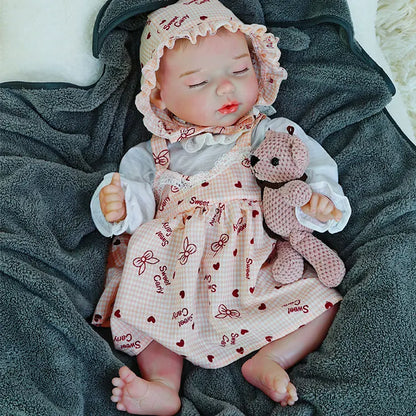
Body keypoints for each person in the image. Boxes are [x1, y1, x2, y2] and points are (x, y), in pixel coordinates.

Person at [90, 0, 351, 414]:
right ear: (159, 96)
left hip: (251, 261)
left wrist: (321, 202)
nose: (226, 89)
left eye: (240, 70)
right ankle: (162, 384)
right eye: (198, 83)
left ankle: (272, 357)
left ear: (258, 65)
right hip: (173, 264)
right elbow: (136, 204)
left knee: (324, 301)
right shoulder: (151, 154)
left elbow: (314, 164)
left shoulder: (267, 130)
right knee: (148, 307)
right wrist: (120, 204)